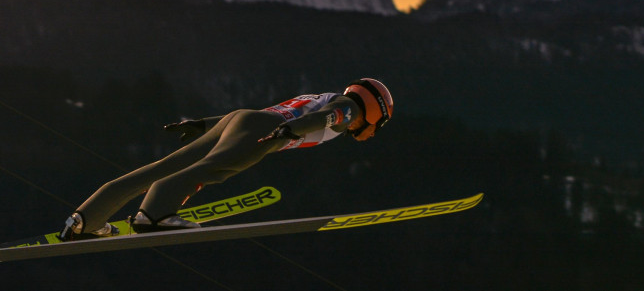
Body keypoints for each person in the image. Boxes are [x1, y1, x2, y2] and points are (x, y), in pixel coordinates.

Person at [58, 78, 393, 240]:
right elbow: (326, 120)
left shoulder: (323, 95)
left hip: (241, 119)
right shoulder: (348, 110)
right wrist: (290, 131)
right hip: (268, 128)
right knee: (214, 169)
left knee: (163, 167)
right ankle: (153, 215)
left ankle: (85, 219)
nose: (373, 130)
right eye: (379, 123)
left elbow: (257, 114)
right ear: (374, 110)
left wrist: (205, 124)